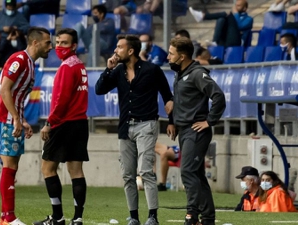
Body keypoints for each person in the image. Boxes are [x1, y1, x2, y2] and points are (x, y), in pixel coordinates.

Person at [95, 34, 175, 225]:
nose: (116, 50)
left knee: (146, 171)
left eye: (119, 47)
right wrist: (108, 69)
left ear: (131, 51)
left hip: (146, 125)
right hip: (125, 127)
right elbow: (99, 89)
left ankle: (152, 217)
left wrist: (171, 121)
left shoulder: (152, 70)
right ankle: (134, 217)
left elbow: (168, 96)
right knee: (128, 175)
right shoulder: (118, 71)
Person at [0, 27, 52, 225]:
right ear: (35, 43)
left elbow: (15, 95)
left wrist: (21, 119)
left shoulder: (31, 64)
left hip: (12, 118)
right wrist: (16, 118)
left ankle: (4, 217)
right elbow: (5, 89)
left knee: (12, 167)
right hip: (4, 119)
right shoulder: (19, 60)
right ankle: (9, 217)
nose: (50, 47)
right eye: (48, 43)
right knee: (9, 166)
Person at [33, 28, 89, 225]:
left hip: (64, 123)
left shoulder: (66, 67)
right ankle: (78, 218)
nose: (58, 46)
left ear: (73, 46)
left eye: (64, 43)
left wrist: (49, 123)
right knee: (76, 171)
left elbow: (61, 100)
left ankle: (57, 218)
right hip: (81, 123)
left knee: (48, 168)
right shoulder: (80, 65)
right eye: (57, 42)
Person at [168, 37, 226, 225]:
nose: (168, 57)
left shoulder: (197, 73)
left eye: (171, 54)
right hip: (184, 130)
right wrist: (174, 122)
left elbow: (218, 96)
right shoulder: (180, 73)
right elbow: (184, 103)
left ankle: (191, 215)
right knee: (197, 174)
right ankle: (208, 218)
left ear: (182, 56)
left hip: (196, 131)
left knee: (187, 171)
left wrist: (210, 121)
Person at [189, 0, 253, 47]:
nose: (236, 8)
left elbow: (239, 26)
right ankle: (215, 41)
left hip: (238, 42)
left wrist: (235, 14)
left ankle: (203, 16)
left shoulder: (249, 19)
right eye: (236, 6)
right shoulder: (233, 17)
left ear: (244, 8)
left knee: (226, 14)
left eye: (238, 6)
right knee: (222, 18)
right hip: (227, 40)